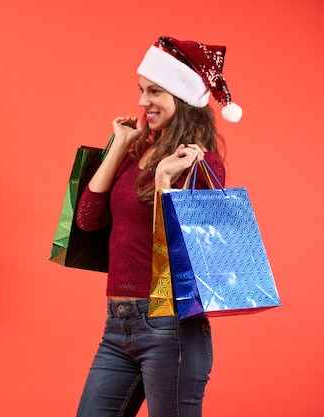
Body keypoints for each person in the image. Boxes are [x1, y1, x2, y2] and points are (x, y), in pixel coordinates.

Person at [74, 36, 242, 417]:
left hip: (170, 325)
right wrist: (119, 145)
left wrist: (165, 182)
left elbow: (177, 260)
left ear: (181, 100)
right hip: (118, 326)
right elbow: (86, 220)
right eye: (141, 90)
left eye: (154, 91)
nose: (142, 102)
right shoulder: (137, 154)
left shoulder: (203, 165)